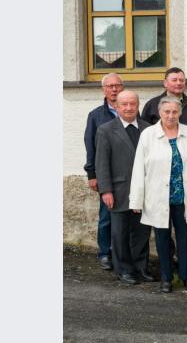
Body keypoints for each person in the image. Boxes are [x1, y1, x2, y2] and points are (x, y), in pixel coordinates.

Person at [129, 96, 187, 293]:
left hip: (183, 196)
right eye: (166, 112)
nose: (170, 115)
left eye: (174, 112)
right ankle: (166, 278)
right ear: (160, 113)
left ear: (180, 113)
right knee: (162, 239)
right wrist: (137, 199)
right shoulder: (149, 135)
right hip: (158, 197)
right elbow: (138, 168)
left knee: (185, 238)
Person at [94, 90, 153, 285]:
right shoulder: (105, 129)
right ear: (117, 107)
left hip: (144, 191)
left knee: (141, 231)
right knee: (119, 233)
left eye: (132, 104)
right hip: (118, 190)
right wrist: (106, 190)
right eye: (124, 104)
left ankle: (140, 267)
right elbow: (101, 163)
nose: (128, 108)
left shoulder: (148, 129)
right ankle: (124, 270)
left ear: (138, 105)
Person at [83, 73, 123, 271]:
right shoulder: (96, 115)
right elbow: (90, 146)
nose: (114, 89)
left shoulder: (130, 111)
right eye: (110, 86)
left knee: (125, 215)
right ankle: (105, 253)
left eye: (117, 85)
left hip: (126, 174)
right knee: (106, 215)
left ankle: (121, 253)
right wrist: (92, 174)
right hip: (105, 173)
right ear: (104, 89)